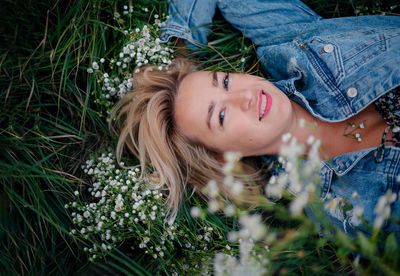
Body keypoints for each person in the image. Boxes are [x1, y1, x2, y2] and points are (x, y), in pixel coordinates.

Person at [111, 0, 400, 239]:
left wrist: (178, 49)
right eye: (221, 116)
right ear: (225, 158)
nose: (243, 96)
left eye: (224, 82)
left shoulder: (295, 43)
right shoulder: (338, 210)